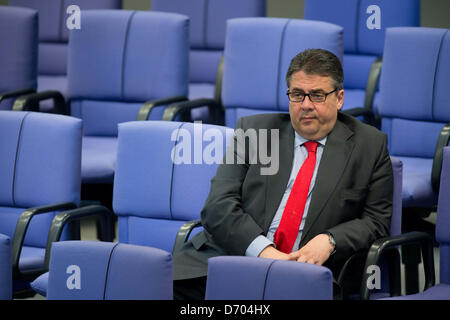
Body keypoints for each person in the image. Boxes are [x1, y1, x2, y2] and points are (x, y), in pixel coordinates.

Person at [172, 48, 393, 300]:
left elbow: (376, 221)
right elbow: (217, 206)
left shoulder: (370, 145)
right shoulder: (255, 132)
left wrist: (330, 240)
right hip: (234, 256)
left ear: (339, 98)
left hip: (306, 273)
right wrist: (265, 252)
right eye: (297, 95)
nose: (306, 105)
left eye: (318, 96)